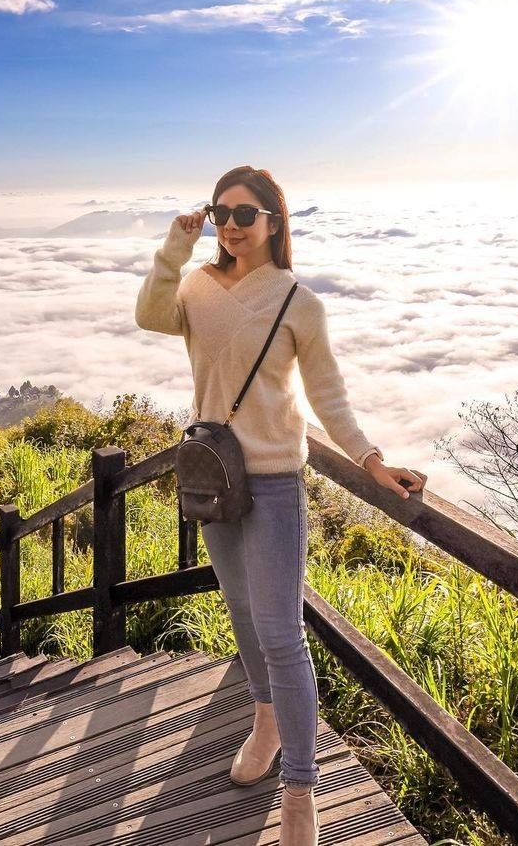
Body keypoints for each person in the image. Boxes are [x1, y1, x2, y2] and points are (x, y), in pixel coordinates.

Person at [135, 165, 426, 846]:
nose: (231, 225)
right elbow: (150, 316)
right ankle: (264, 721)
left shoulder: (299, 302)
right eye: (221, 212)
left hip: (272, 485)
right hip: (212, 478)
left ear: (274, 220)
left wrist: (371, 459)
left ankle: (301, 788)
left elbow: (328, 395)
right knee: (242, 613)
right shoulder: (198, 286)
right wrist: (176, 248)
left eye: (245, 213)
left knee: (281, 634)